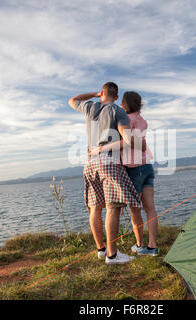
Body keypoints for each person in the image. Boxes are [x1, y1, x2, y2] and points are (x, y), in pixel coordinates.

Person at [68, 82, 142, 264]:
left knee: (94, 208)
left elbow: (72, 100)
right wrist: (103, 149)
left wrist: (94, 94)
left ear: (102, 93)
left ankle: (101, 249)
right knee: (112, 208)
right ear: (116, 97)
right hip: (108, 163)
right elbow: (128, 141)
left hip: (90, 164)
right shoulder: (118, 111)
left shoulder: (90, 106)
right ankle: (112, 255)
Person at [91, 91, 158, 256]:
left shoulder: (126, 119)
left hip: (134, 168)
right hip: (147, 166)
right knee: (150, 208)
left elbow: (125, 142)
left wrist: (100, 149)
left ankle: (140, 245)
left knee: (135, 209)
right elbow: (140, 142)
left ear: (125, 105)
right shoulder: (143, 121)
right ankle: (152, 246)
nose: (120, 105)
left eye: (122, 103)